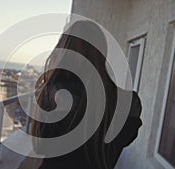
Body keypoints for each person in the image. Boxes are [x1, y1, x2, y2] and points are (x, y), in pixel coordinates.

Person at [31, 20, 142, 169]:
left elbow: (41, 147)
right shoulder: (129, 103)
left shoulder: (55, 94)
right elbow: (124, 140)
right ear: (102, 53)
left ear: (64, 51)